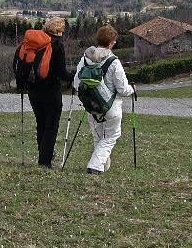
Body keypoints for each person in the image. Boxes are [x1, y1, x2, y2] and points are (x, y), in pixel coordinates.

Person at [73, 25, 134, 175]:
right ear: (112, 42)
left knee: (99, 137)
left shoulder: (85, 59)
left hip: (91, 105)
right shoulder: (114, 62)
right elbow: (122, 89)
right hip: (110, 107)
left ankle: (102, 166)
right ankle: (95, 166)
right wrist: (132, 89)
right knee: (111, 136)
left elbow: (76, 83)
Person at [27, 18, 74, 168]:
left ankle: (43, 154)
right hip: (50, 91)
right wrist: (74, 77)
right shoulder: (57, 45)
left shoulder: (35, 42)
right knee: (51, 126)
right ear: (60, 31)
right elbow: (61, 72)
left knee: (40, 123)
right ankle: (45, 161)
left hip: (33, 90)